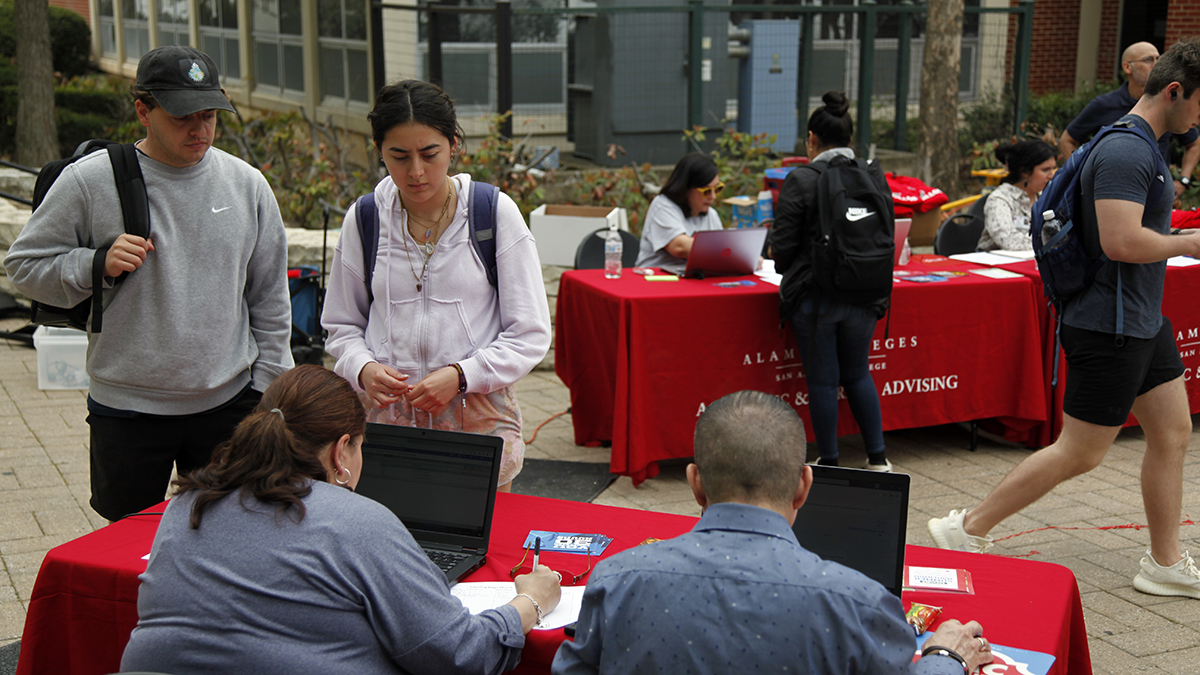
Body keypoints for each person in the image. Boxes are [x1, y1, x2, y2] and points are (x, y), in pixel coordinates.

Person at [930, 39, 1200, 599]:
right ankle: (966, 528)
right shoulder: (1129, 151)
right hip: (1112, 324)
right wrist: (1192, 242)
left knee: (1172, 431)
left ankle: (1164, 563)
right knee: (1081, 451)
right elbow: (1122, 241)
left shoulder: (1137, 143)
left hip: (1139, 320)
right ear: (1174, 91)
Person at [4, 45, 293, 523]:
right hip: (127, 410)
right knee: (127, 551)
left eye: (209, 114)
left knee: (229, 542)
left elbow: (269, 298)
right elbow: (24, 267)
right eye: (183, 116)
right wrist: (92, 263)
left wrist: (268, 396)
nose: (199, 129)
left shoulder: (247, 185)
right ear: (143, 110)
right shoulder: (89, 182)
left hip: (228, 403)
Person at [119, 364, 562, 674]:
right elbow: (459, 655)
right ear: (341, 450)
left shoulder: (187, 503)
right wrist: (530, 603)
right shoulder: (360, 522)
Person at [552, 390, 990, 675]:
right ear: (804, 484)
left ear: (694, 482)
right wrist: (945, 658)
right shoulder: (858, 603)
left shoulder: (617, 580)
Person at [322, 80, 551, 491]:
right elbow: (341, 324)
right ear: (379, 149)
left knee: (478, 546)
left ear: (454, 144)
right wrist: (363, 367)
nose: (416, 172)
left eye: (430, 154)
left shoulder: (492, 214)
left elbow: (530, 333)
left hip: (477, 424)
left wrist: (462, 374)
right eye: (399, 156)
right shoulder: (366, 219)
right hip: (385, 426)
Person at [767, 91, 893, 471]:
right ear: (850, 139)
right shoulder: (873, 173)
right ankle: (878, 458)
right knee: (858, 372)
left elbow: (783, 249)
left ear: (811, 138)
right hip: (867, 292)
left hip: (818, 299)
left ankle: (831, 461)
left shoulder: (802, 178)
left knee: (822, 381)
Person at [1060, 41, 1200, 201]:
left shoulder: (1171, 109)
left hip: (1157, 193)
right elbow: (1066, 140)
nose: (1155, 65)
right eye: (1148, 59)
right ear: (1127, 67)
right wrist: (1083, 177)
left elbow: (1194, 143)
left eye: (1158, 59)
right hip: (1119, 194)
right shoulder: (1104, 105)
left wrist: (1184, 179)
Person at [633, 152, 725, 269]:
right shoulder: (662, 206)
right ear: (686, 188)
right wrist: (729, 250)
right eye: (706, 191)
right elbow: (680, 247)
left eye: (717, 189)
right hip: (656, 280)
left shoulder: (711, 214)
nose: (713, 196)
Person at [977, 139, 1057, 251]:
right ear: (1024, 171)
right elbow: (1008, 241)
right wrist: (1051, 242)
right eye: (1045, 170)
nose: (1051, 175)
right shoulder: (1000, 199)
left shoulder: (1045, 197)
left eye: (1053, 169)